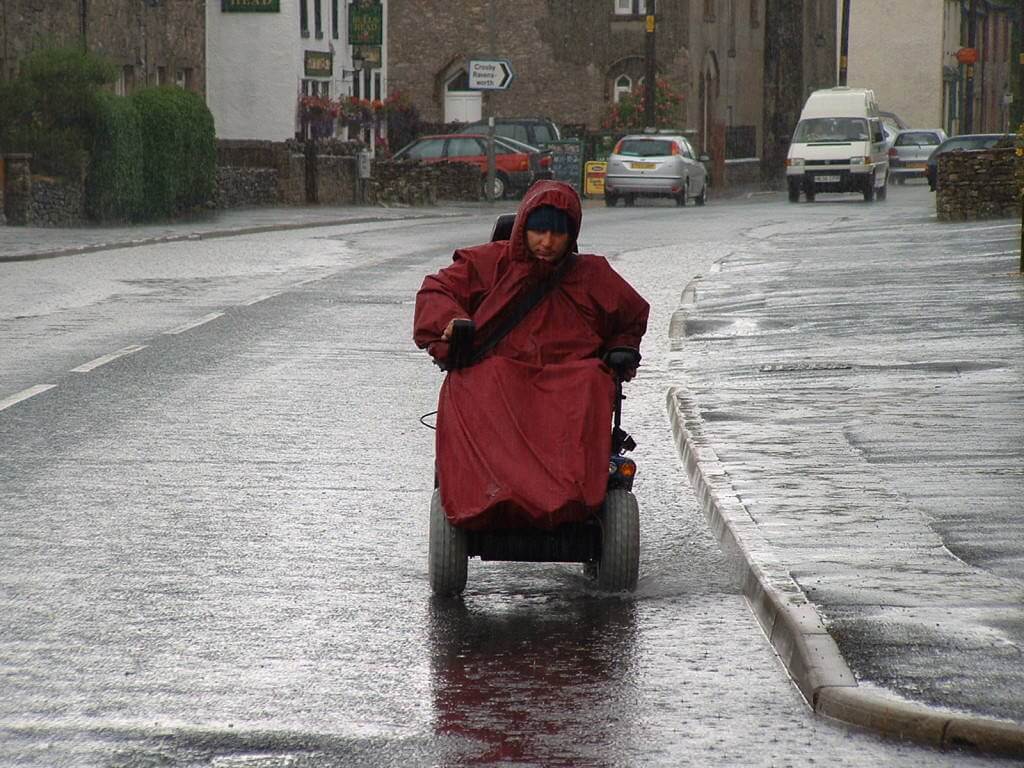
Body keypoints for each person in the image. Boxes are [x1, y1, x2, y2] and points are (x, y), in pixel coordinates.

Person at [413, 180, 649, 531]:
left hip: (569, 371)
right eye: (539, 231)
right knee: (480, 381)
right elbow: (438, 290)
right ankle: (490, 493)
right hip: (497, 369)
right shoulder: (487, 263)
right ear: (523, 227)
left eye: (558, 234)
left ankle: (571, 497)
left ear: (572, 235)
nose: (547, 242)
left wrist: (622, 346)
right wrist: (450, 322)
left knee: (590, 382)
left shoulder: (591, 274)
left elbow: (629, 315)